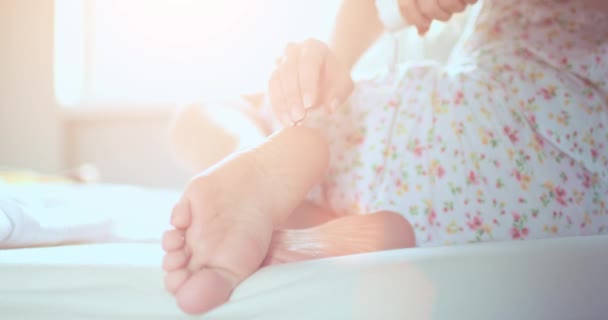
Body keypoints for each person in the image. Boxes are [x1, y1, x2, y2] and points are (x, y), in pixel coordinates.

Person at [162, 0, 608, 314]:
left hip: (459, 124)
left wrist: (330, 66)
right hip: (552, 202)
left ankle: (258, 160)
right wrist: (333, 61)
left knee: (198, 113)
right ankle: (313, 227)